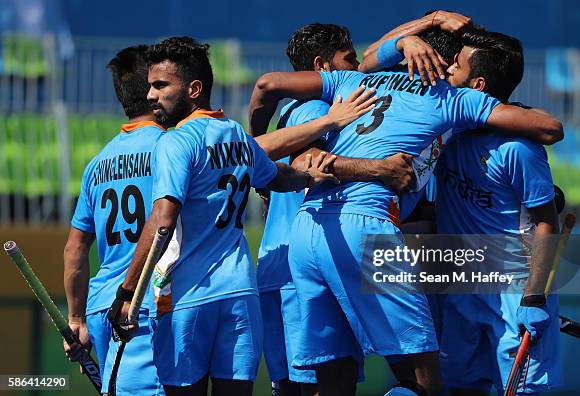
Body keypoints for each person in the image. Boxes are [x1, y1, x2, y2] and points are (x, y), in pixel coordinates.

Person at [248, 43, 563, 395]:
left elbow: (269, 84)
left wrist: (403, 42)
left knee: (333, 377)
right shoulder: (452, 99)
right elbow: (549, 127)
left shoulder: (355, 81)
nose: (450, 72)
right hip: (366, 227)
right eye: (452, 63)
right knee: (421, 379)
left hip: (309, 231)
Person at [105, 36, 363, 396]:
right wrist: (310, 178)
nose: (150, 96)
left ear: (194, 89)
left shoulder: (175, 141)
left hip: (187, 298)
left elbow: (163, 220)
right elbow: (276, 177)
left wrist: (128, 290)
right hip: (240, 293)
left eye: (161, 85)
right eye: (150, 86)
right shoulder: (236, 135)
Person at [253, 23, 415, 396]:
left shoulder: (294, 110)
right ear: (322, 65)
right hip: (304, 269)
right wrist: (381, 169)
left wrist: (425, 24)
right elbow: (312, 165)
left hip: (280, 265)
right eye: (349, 60)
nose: (357, 68)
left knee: (294, 386)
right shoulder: (317, 108)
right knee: (326, 383)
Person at [434, 30, 562, 395]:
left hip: (514, 289)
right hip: (459, 283)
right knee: (460, 388)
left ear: (477, 84)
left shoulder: (519, 149)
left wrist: (534, 298)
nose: (445, 71)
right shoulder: (449, 130)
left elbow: (546, 223)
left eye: (455, 66)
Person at [63, 45, 165, 395]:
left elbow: (76, 248)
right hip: (143, 307)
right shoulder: (172, 147)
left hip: (100, 307)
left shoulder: (97, 163)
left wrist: (76, 320)